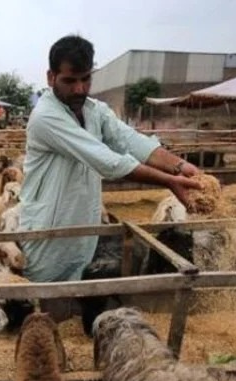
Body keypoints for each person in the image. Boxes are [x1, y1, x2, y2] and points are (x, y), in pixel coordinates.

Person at [18, 34, 203, 284]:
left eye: (85, 79)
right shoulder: (45, 117)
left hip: (83, 221)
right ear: (51, 77)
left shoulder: (95, 111)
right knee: (43, 293)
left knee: (79, 288)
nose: (79, 89)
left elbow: (131, 141)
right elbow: (108, 161)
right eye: (69, 81)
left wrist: (180, 166)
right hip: (48, 228)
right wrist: (170, 181)